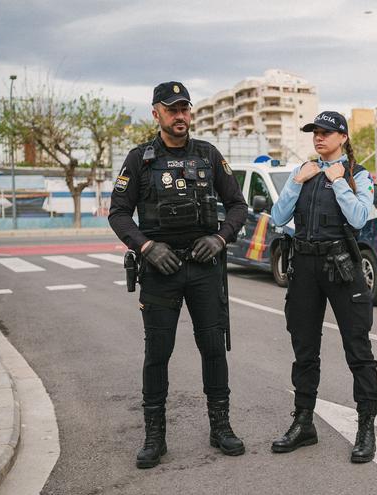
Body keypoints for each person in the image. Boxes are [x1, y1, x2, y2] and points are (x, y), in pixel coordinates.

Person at [108, 81, 249, 469]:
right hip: (159, 270)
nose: (180, 116)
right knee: (158, 353)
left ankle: (220, 427)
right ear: (156, 113)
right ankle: (155, 436)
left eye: (185, 108)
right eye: (172, 109)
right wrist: (147, 247)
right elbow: (118, 212)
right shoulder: (140, 160)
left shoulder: (208, 155)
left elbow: (237, 205)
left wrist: (220, 239)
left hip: (204, 268)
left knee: (213, 348)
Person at [270, 111, 377, 463]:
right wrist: (296, 182)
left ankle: (366, 426)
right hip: (303, 266)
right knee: (304, 347)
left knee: (358, 348)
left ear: (343, 137)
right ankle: (304, 423)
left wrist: (340, 183)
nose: (319, 138)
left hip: (341, 267)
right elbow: (278, 217)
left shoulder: (357, 176)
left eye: (326, 132)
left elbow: (360, 218)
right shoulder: (303, 172)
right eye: (315, 132)